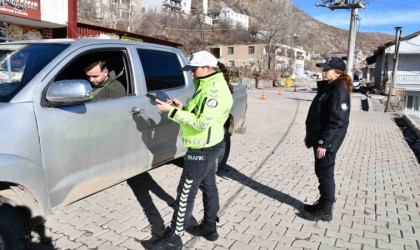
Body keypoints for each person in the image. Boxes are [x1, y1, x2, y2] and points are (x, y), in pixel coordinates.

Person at [146, 51, 233, 250]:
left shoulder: (214, 92)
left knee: (185, 191)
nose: (192, 74)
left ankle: (173, 238)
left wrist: (172, 112)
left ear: (208, 68)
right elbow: (201, 114)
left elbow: (201, 123)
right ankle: (209, 228)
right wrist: (181, 108)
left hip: (202, 147)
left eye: (195, 69)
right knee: (208, 186)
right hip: (209, 145)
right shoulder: (206, 84)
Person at [303, 57, 352, 221]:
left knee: (325, 174)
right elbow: (319, 116)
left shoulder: (338, 91)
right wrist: (309, 136)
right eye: (323, 69)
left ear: (338, 72)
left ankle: (325, 210)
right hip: (320, 139)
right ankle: (323, 203)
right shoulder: (329, 87)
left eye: (327, 69)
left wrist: (324, 142)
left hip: (327, 143)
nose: (323, 71)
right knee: (321, 172)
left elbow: (338, 121)